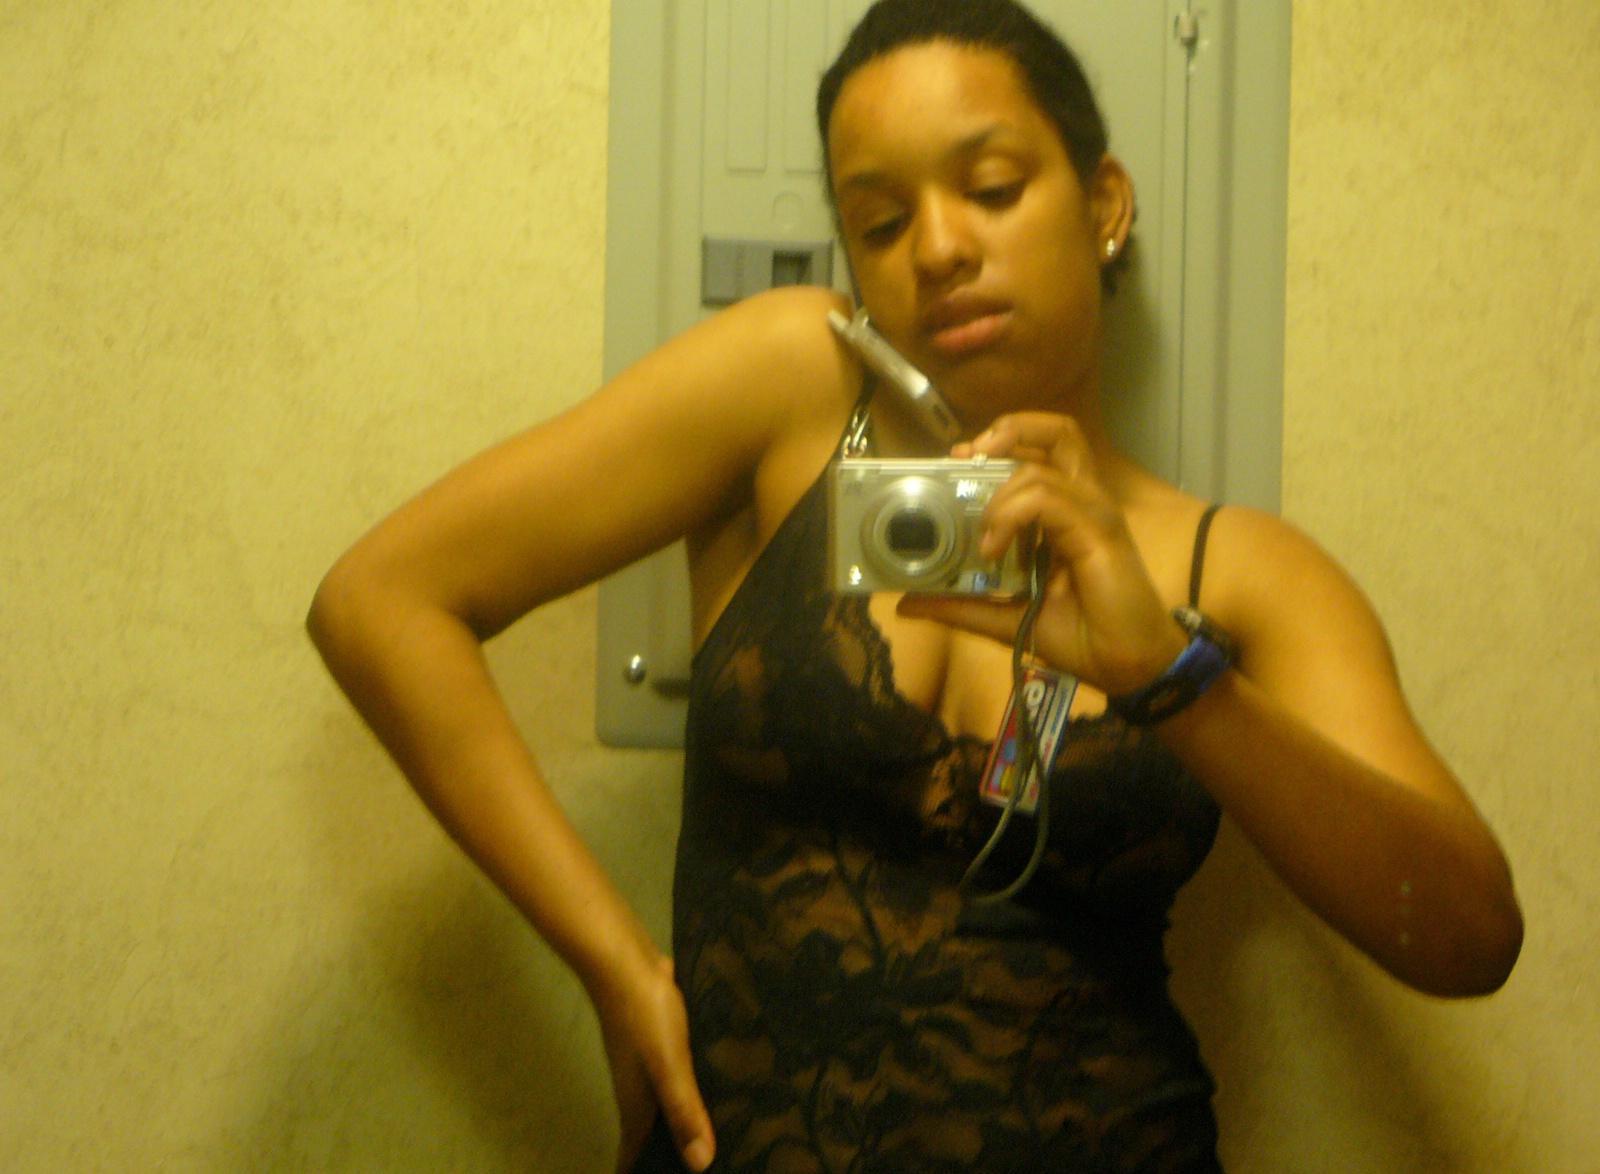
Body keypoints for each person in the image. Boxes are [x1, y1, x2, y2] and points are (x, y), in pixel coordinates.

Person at [307, 1, 1523, 1169]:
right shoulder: (792, 392)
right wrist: (613, 965)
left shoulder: (1240, 569)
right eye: (881, 222)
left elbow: (1468, 937)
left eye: (990, 188)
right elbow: (382, 600)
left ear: (1103, 203)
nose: (938, 249)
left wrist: (1172, 678)